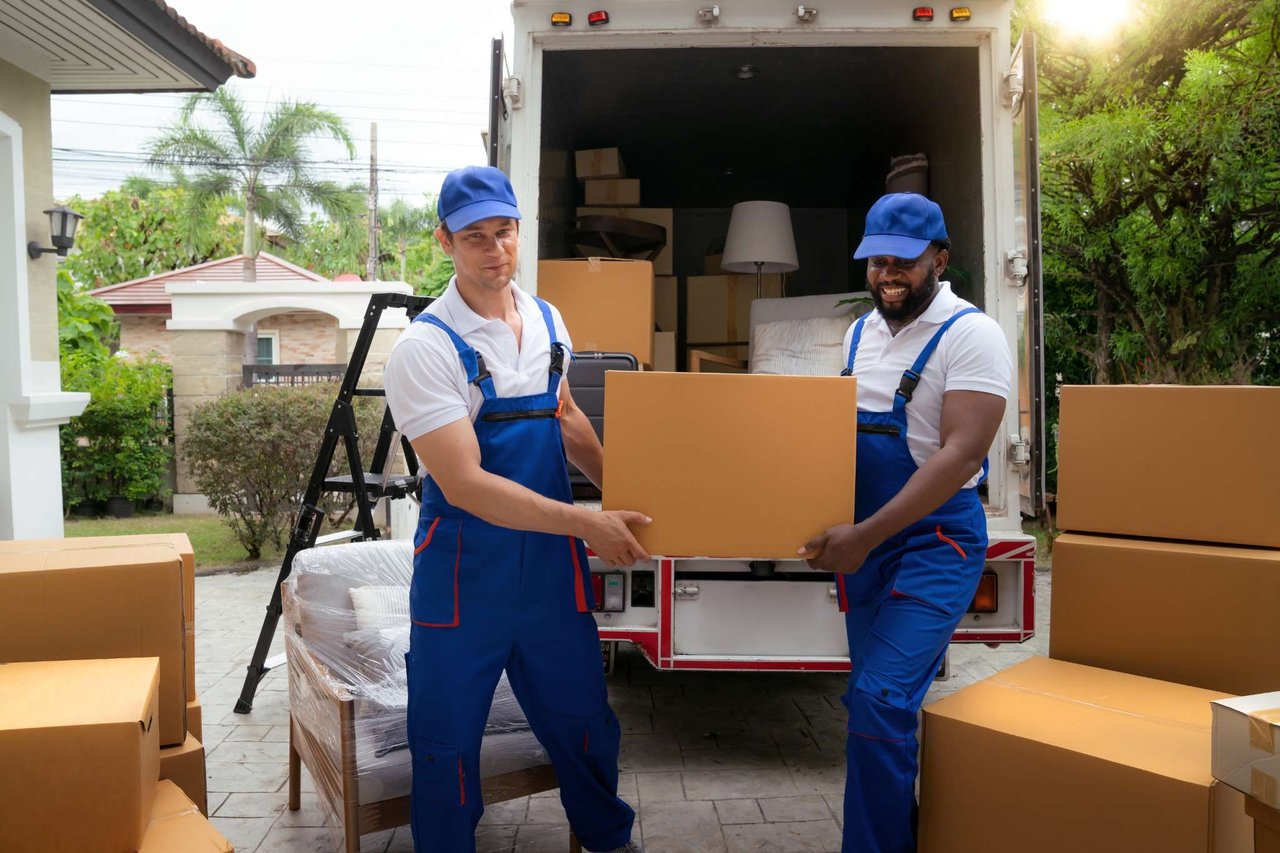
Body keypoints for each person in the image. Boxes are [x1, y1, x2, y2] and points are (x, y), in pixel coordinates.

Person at [383, 165, 648, 853]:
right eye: (475, 237)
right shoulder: (425, 348)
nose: (495, 250)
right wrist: (586, 521)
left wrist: (629, 493)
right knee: (447, 742)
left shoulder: (548, 318)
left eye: (504, 232)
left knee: (586, 719)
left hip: (550, 577)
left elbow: (568, 419)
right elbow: (466, 482)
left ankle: (608, 839)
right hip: (464, 577)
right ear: (444, 241)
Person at [799, 193, 1012, 853]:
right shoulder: (860, 332)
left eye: (905, 260)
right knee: (871, 702)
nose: (888, 272)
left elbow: (959, 456)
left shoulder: (972, 334)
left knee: (882, 699)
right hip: (869, 547)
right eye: (877, 259)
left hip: (934, 542)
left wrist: (864, 535)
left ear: (939, 259)